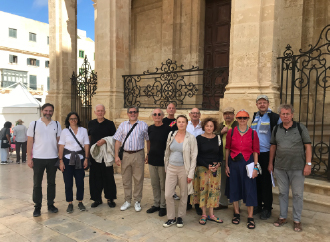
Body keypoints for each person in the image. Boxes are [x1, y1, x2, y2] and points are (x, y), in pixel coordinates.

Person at [268, 104, 312, 232]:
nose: (285, 116)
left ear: (292, 115)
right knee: (282, 193)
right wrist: (270, 163)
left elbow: (308, 146)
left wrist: (308, 164)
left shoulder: (300, 128)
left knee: (297, 194)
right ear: (280, 115)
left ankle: (297, 220)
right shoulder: (276, 129)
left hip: (297, 167)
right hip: (280, 167)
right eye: (283, 114)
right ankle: (282, 217)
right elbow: (273, 147)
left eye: (287, 114)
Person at [225, 109, 260, 229]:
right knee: (234, 188)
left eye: (244, 118)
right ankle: (236, 213)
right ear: (237, 119)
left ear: (248, 119)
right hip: (234, 163)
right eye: (240, 118)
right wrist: (226, 165)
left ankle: (250, 216)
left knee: (249, 189)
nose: (242, 120)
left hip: (248, 163)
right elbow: (228, 149)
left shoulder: (252, 133)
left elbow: (256, 151)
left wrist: (255, 167)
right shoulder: (231, 132)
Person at [27, 103, 62, 217]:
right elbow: (30, 141)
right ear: (42, 111)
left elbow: (59, 142)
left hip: (52, 158)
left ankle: (51, 204)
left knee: (51, 183)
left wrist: (60, 158)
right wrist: (29, 158)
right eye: (46, 110)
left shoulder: (56, 124)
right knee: (37, 183)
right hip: (38, 158)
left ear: (53, 112)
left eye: (50, 111)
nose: (48, 113)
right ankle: (37, 207)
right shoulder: (35, 124)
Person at [163, 115, 197, 228]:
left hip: (184, 169)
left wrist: (191, 174)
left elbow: (194, 157)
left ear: (187, 123)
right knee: (168, 194)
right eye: (179, 122)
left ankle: (180, 217)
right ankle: (171, 217)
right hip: (171, 168)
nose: (181, 124)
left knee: (183, 194)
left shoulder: (191, 137)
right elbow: (167, 152)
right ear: (176, 123)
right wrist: (166, 166)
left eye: (183, 122)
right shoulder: (171, 134)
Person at [114, 106, 149, 212]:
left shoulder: (143, 125)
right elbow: (118, 141)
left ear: (137, 113)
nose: (133, 114)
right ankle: (127, 200)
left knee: (138, 179)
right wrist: (116, 155)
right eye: (130, 112)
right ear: (128, 114)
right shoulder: (123, 125)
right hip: (125, 155)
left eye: (135, 112)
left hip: (138, 154)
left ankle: (137, 201)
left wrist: (148, 154)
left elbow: (148, 140)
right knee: (126, 179)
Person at [251, 95, 281, 219]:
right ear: (257, 105)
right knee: (256, 180)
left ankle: (267, 207)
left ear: (268, 104)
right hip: (255, 153)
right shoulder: (255, 116)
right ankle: (258, 204)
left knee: (266, 182)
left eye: (264, 102)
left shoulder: (274, 117)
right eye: (259, 103)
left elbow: (278, 136)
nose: (262, 104)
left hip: (266, 153)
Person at [191, 117, 223, 225]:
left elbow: (220, 154)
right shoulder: (199, 139)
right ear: (204, 126)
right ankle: (204, 214)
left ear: (214, 127)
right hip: (202, 169)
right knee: (203, 191)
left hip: (215, 169)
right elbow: (196, 155)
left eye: (211, 126)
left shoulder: (218, 138)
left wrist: (218, 164)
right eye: (207, 126)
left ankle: (212, 214)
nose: (209, 128)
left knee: (213, 191)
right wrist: (207, 166)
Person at [58, 112, 90, 213]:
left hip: (80, 159)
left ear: (78, 119)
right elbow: (61, 146)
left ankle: (80, 201)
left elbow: (86, 145)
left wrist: (86, 158)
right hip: (67, 159)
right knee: (68, 182)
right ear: (68, 120)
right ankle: (70, 203)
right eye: (71, 119)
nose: (73, 120)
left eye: (75, 118)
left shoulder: (83, 130)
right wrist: (61, 161)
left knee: (80, 182)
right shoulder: (65, 131)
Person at [88, 104, 117, 208]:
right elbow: (89, 138)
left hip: (106, 154)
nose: (100, 112)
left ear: (105, 112)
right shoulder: (91, 123)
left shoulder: (110, 124)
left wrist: (105, 140)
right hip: (94, 154)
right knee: (95, 177)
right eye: (98, 111)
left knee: (108, 177)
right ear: (95, 112)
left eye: (102, 111)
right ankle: (97, 199)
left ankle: (110, 199)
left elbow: (114, 138)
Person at [145, 108, 171, 217]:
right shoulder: (150, 128)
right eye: (155, 114)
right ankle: (156, 204)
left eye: (159, 114)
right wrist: (148, 153)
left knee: (163, 184)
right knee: (155, 184)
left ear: (162, 115)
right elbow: (148, 141)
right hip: (152, 160)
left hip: (163, 161)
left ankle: (163, 206)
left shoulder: (167, 129)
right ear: (152, 116)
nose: (157, 116)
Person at [215, 107, 238, 210]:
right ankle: (223, 202)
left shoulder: (237, 125)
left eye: (230, 113)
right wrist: (221, 132)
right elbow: (213, 137)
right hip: (222, 157)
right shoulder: (220, 126)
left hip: (234, 158)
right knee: (222, 182)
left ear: (233, 115)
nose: (227, 116)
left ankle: (236, 205)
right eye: (225, 114)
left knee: (235, 182)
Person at [186, 108, 204, 214]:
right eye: (193, 113)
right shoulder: (185, 124)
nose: (195, 115)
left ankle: (197, 204)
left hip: (200, 155)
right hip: (187, 156)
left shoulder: (203, 126)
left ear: (200, 115)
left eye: (197, 113)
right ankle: (188, 202)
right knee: (188, 179)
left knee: (198, 180)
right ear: (190, 114)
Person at [162, 103, 179, 200]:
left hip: (175, 148)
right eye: (169, 108)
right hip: (165, 148)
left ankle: (173, 191)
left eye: (173, 108)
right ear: (167, 110)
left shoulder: (178, 121)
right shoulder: (163, 121)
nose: (171, 110)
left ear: (175, 110)